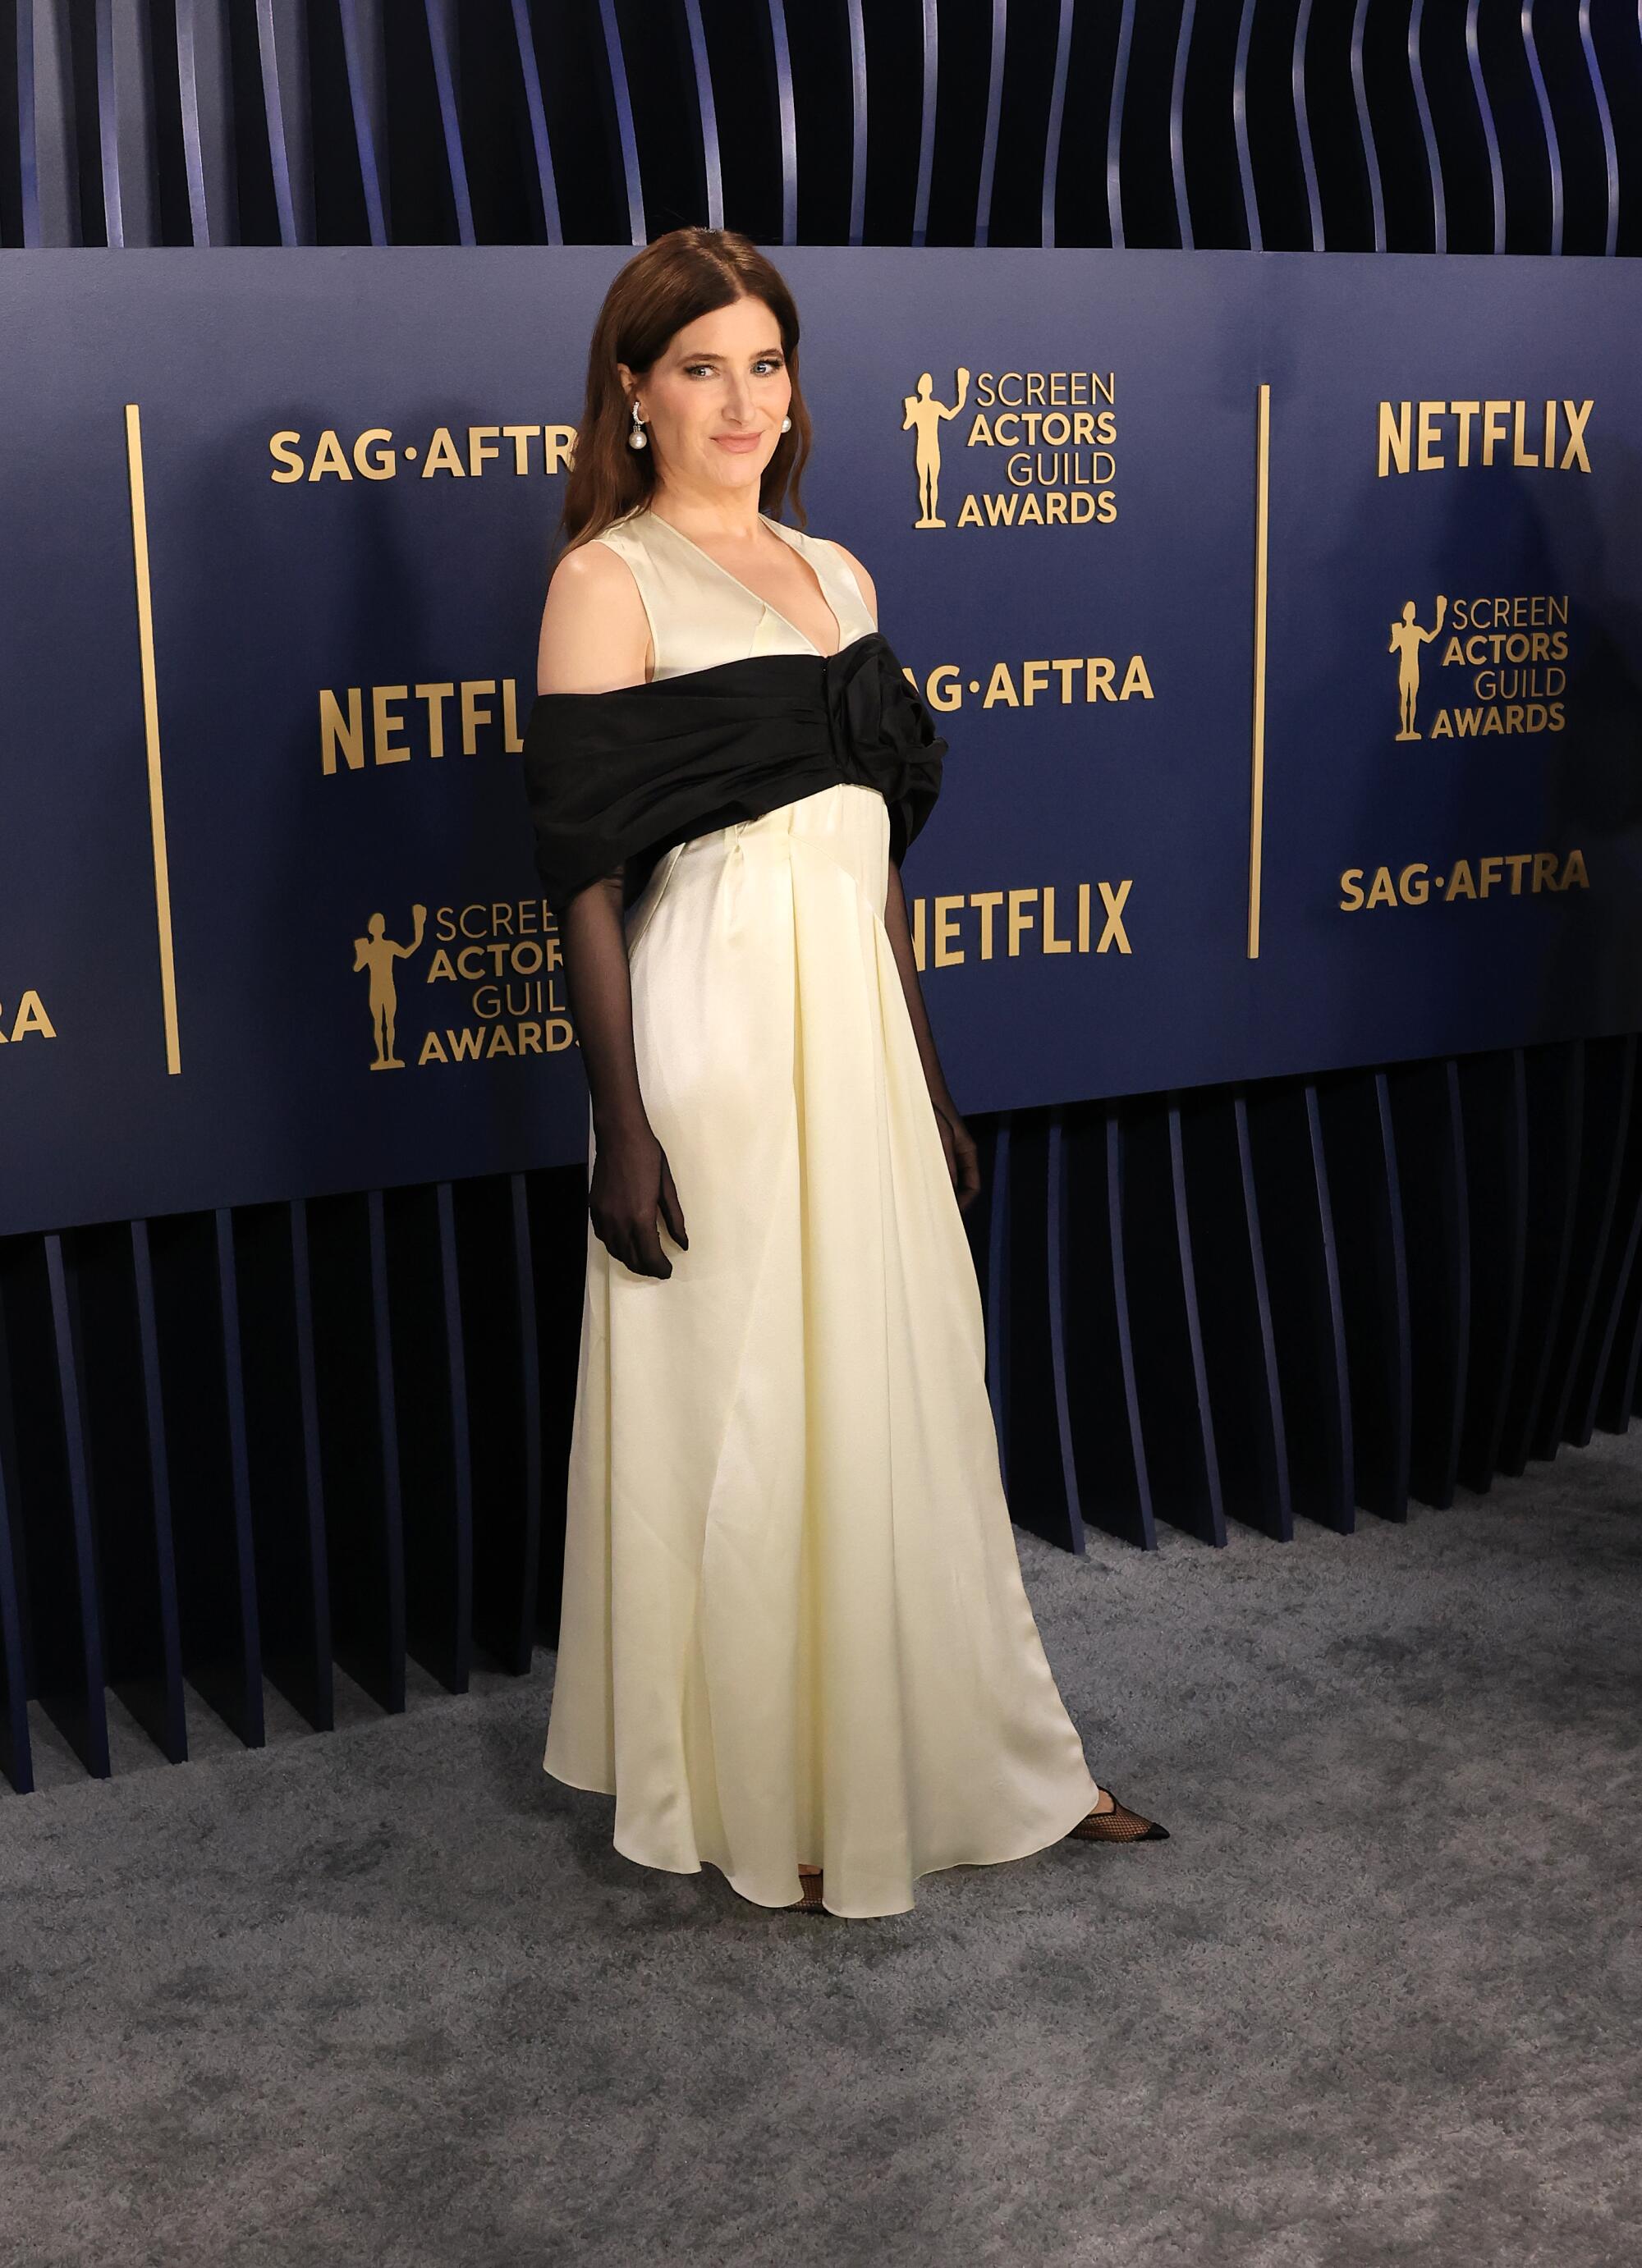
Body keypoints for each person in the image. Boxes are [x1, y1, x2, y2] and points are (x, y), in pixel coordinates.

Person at [523, 227, 1166, 1922]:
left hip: (857, 1039)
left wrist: (930, 1081)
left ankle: (989, 1752)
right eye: (700, 368)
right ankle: (771, 1787)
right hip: (716, 1030)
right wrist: (622, 1125)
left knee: (903, 1394)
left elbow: (877, 857)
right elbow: (583, 871)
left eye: (765, 363)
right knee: (748, 1410)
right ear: (633, 391)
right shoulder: (610, 578)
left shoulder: (847, 572)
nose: (742, 400)